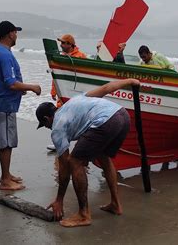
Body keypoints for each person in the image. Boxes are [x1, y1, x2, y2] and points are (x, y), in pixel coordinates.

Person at [36, 78, 140, 227]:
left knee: (74, 161)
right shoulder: (75, 100)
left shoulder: (57, 127)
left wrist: (59, 199)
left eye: (45, 125)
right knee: (104, 158)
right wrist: (129, 81)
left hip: (105, 121)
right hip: (122, 115)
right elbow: (106, 88)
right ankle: (115, 204)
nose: (47, 128)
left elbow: (65, 167)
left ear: (47, 119)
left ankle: (83, 215)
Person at [0, 21, 41, 190]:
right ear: (10, 34)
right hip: (4, 103)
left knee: (6, 141)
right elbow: (10, 82)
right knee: (7, 143)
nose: (17, 35)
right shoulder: (5, 54)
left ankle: (7, 174)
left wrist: (19, 88)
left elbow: (3, 78)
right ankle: (4, 180)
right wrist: (31, 87)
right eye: (15, 32)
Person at [52, 34, 87, 108]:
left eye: (62, 43)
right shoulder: (62, 56)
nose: (60, 45)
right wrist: (53, 91)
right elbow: (56, 74)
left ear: (70, 44)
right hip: (63, 90)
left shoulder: (81, 56)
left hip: (76, 91)